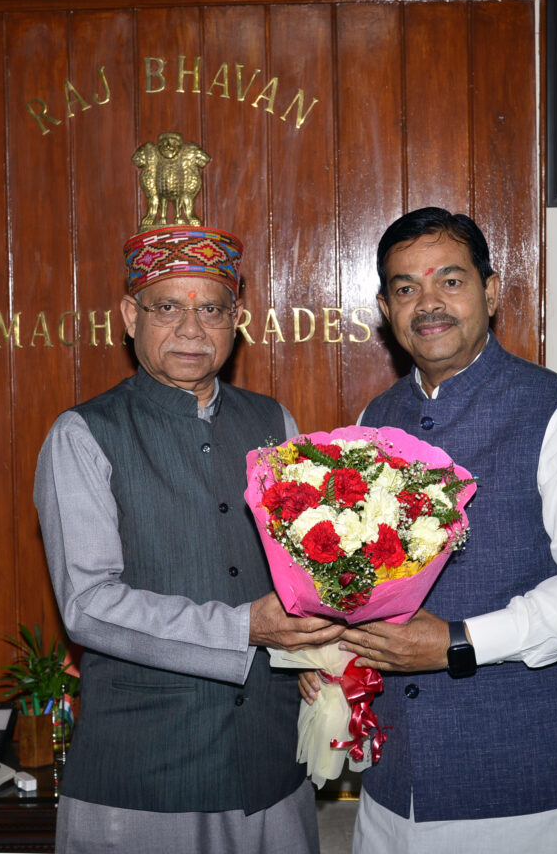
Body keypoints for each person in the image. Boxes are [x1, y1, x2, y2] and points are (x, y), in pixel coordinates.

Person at [323, 207, 557, 852]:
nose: (428, 304)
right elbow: (360, 582)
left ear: (491, 292)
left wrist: (461, 642)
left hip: (528, 781)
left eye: (451, 281)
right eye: (406, 288)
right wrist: (327, 653)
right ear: (385, 309)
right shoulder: (372, 420)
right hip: (393, 780)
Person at [34, 221, 342, 854]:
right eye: (167, 308)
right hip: (145, 773)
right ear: (130, 316)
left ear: (237, 321)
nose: (192, 330)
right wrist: (243, 629)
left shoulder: (275, 423)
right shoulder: (84, 434)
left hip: (271, 761)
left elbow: (304, 572)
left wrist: (318, 654)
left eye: (212, 310)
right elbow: (88, 605)